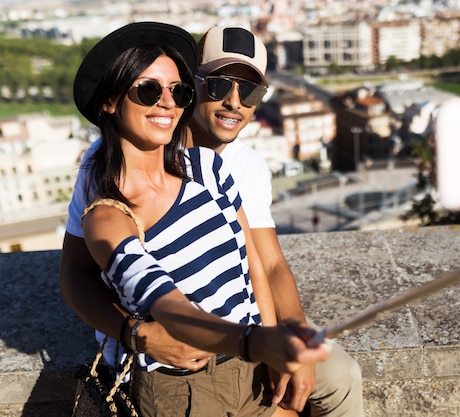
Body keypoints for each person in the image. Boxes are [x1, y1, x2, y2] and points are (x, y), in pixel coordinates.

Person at [60, 24, 364, 417]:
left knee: (341, 377)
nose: (234, 102)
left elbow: (259, 262)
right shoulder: (104, 185)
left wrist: (274, 340)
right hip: (184, 372)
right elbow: (157, 295)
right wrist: (137, 333)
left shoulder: (213, 166)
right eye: (219, 85)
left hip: (244, 350)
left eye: (176, 91)